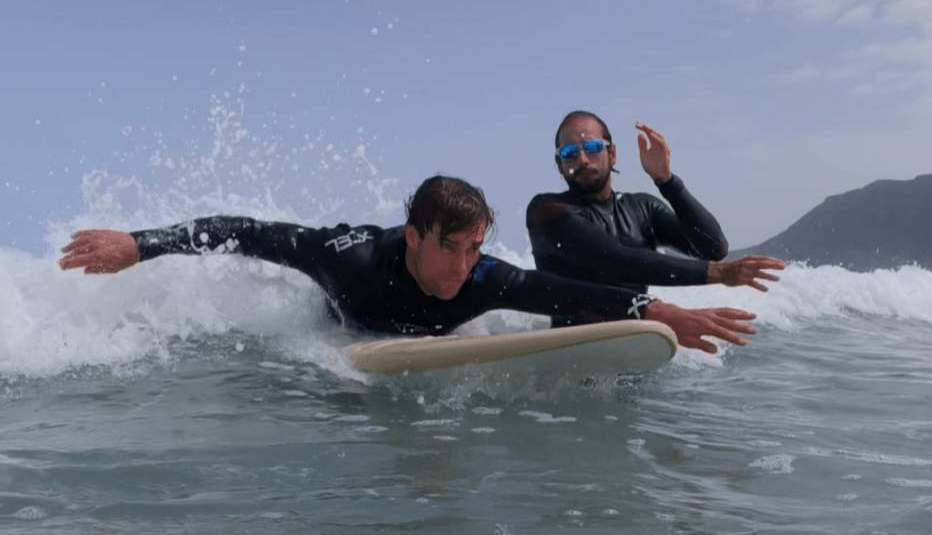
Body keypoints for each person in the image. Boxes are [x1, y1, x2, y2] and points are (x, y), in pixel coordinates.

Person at [58, 175, 757, 353]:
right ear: (414, 234)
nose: (462, 265)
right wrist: (140, 243)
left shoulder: (484, 277)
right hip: (348, 324)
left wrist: (659, 309)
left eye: (474, 247)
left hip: (421, 338)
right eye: (448, 246)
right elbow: (245, 230)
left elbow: (563, 285)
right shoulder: (350, 258)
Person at [526, 111, 786, 325]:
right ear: (560, 163)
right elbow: (614, 260)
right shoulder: (546, 210)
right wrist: (719, 274)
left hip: (634, 349)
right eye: (569, 153)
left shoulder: (643, 208)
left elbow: (714, 247)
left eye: (593, 147)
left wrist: (667, 181)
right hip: (573, 353)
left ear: (612, 153)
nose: (582, 159)